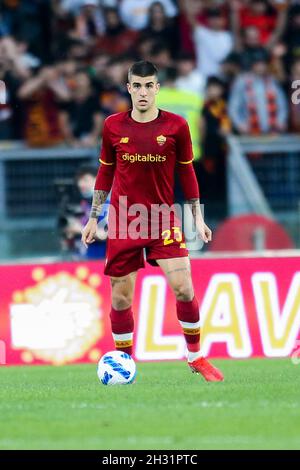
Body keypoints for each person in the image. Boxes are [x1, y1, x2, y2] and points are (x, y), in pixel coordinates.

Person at [81, 60, 224, 382]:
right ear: (129, 88)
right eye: (137, 86)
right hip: (123, 219)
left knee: (185, 289)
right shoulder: (113, 126)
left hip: (162, 218)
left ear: (157, 88)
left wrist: (198, 218)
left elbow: (187, 173)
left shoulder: (176, 126)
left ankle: (196, 356)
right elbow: (105, 171)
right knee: (120, 297)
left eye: (149, 85)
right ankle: (124, 363)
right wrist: (93, 218)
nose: (143, 92)